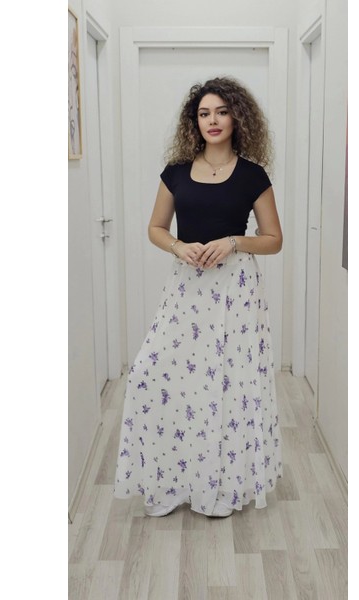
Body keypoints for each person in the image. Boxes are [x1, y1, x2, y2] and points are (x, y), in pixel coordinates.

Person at [114, 76, 283, 518]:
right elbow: (155, 227)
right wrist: (177, 246)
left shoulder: (252, 175)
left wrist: (233, 242)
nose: (213, 120)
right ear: (195, 121)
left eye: (222, 112)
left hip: (236, 291)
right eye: (204, 113)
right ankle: (171, 480)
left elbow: (274, 239)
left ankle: (221, 487)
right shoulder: (175, 172)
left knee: (228, 385)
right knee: (151, 374)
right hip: (186, 288)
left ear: (237, 118)